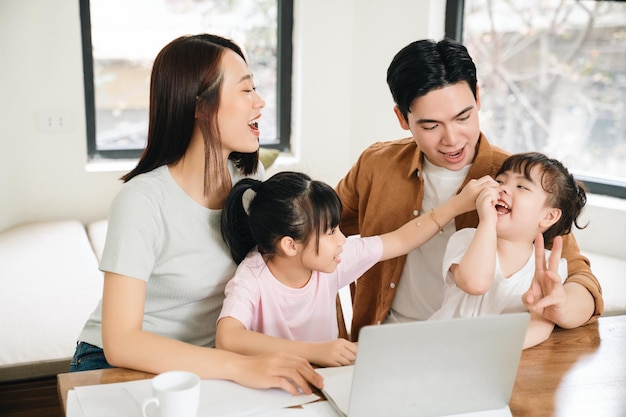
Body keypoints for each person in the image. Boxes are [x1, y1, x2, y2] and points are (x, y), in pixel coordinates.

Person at [70, 34, 323, 396]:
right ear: (200, 106)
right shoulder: (142, 201)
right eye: (246, 90)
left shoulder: (252, 182)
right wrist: (242, 366)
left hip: (207, 360)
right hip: (118, 363)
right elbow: (121, 341)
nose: (261, 102)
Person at [335, 38, 603, 341]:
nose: (452, 139)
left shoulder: (517, 181)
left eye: (463, 117)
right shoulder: (377, 165)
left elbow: (580, 277)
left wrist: (562, 306)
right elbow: (314, 235)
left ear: (477, 98)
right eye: (431, 126)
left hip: (473, 350)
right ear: (402, 118)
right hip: (381, 340)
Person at [216, 170, 494, 367]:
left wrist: (458, 204)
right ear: (290, 245)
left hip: (324, 384)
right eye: (331, 231)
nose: (343, 240)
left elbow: (400, 239)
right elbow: (228, 337)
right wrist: (314, 352)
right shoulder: (251, 278)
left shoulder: (332, 258)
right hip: (270, 391)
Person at [429, 152, 588, 349]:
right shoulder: (466, 239)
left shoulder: (550, 268)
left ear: (548, 216)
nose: (502, 188)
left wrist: (498, 349)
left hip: (494, 357)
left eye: (521, 186)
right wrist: (487, 221)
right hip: (437, 347)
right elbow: (474, 283)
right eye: (500, 180)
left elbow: (541, 325)